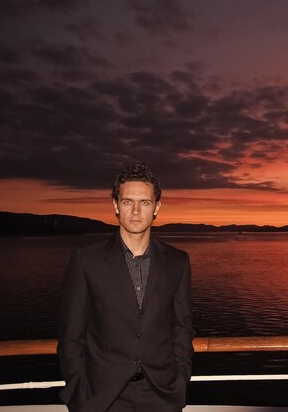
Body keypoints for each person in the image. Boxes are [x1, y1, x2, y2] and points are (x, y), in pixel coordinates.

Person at [57, 163, 194, 412]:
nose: (135, 211)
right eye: (128, 201)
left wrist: (180, 380)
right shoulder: (86, 260)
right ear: (115, 205)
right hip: (103, 397)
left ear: (157, 207)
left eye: (144, 202)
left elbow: (182, 327)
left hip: (161, 395)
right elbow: (71, 336)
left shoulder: (178, 262)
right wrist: (81, 392)